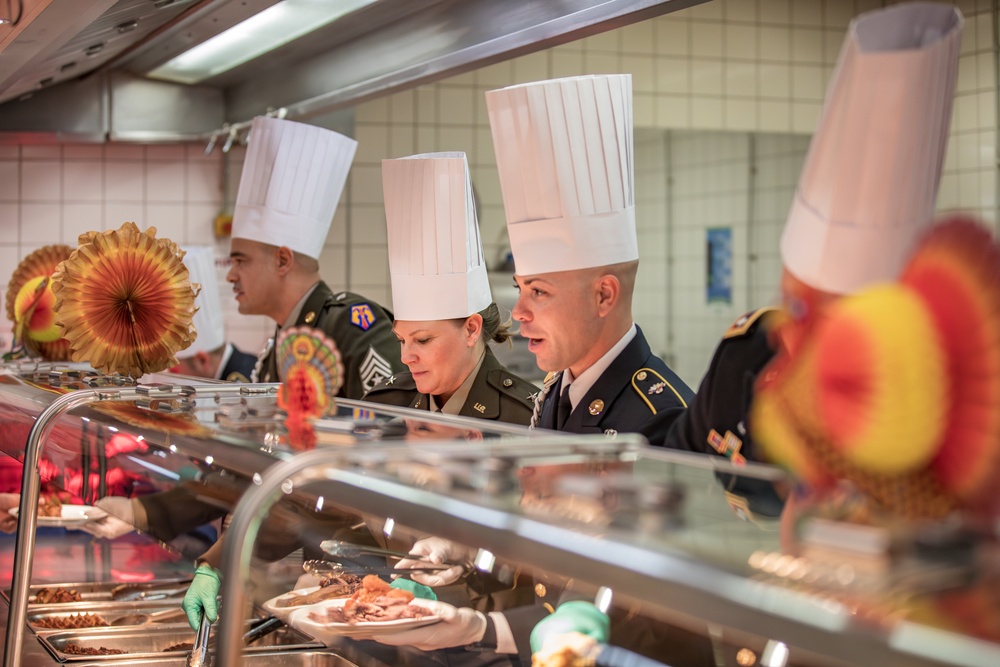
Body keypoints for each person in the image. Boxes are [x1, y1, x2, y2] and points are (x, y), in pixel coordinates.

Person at [531, 4, 964, 665]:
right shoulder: (749, 363)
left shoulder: (956, 446)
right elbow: (664, 477)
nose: (787, 351)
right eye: (794, 304)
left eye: (827, 320)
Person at [364, 152, 537, 424]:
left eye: (422, 340)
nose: (406, 357)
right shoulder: (384, 406)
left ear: (471, 329)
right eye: (401, 340)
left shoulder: (526, 419)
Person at [172, 245, 256, 382]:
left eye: (175, 370)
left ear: (202, 360)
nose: (175, 376)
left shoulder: (239, 389)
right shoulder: (246, 365)